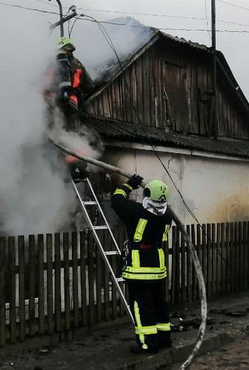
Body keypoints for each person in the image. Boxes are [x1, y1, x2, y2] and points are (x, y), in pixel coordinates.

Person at [111, 174, 172, 353]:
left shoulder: (135, 211)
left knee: (142, 307)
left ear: (146, 194)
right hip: (157, 268)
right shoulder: (167, 216)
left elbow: (116, 199)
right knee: (159, 304)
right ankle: (164, 339)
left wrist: (131, 183)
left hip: (139, 269)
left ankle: (147, 344)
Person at [45, 37, 96, 182]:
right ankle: (81, 168)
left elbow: (43, 84)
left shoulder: (52, 64)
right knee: (75, 136)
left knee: (56, 135)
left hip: (55, 103)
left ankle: (63, 170)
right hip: (73, 104)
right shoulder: (78, 64)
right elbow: (89, 86)